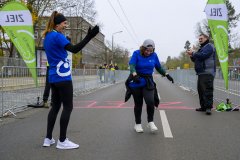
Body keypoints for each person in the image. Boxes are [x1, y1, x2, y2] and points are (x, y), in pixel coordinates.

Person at [42, 10, 99, 149]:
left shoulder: (47, 36)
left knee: (55, 107)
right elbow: (73, 49)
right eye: (64, 23)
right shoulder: (58, 36)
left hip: (53, 77)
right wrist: (89, 37)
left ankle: (48, 138)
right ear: (57, 24)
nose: (66, 26)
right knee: (68, 107)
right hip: (63, 77)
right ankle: (62, 141)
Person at [125, 39, 174, 133]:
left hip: (148, 81)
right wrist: (134, 75)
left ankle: (150, 122)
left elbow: (158, 67)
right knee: (138, 103)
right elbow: (132, 66)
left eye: (151, 51)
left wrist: (166, 74)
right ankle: (138, 124)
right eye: (147, 50)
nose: (148, 52)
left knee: (150, 101)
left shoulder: (154, 56)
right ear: (143, 48)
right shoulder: (136, 53)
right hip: (137, 80)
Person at [187, 34, 216, 115]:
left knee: (207, 90)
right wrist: (191, 56)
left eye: (201, 38)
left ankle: (208, 107)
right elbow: (197, 59)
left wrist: (193, 53)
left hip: (207, 72)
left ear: (206, 38)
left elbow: (203, 56)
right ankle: (203, 106)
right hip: (201, 72)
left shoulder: (209, 46)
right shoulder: (201, 48)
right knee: (201, 90)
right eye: (199, 39)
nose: (200, 40)